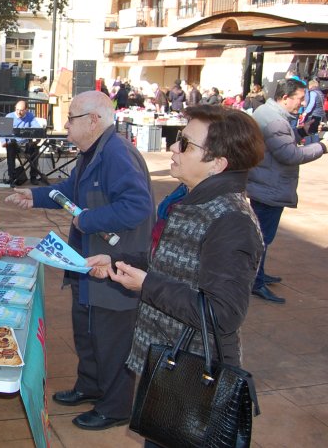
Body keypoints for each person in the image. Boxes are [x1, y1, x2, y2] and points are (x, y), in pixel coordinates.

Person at [86, 105, 265, 447]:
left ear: (218, 163)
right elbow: (171, 261)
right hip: (170, 361)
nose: (172, 148)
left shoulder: (231, 219)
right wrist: (118, 259)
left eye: (184, 143)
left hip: (195, 373)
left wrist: (147, 285)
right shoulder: (192, 200)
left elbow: (223, 314)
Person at [5, 91, 155, 431]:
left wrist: (87, 221)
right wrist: (35, 195)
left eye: (71, 118)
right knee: (87, 330)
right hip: (87, 262)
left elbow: (137, 206)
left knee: (112, 336)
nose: (66, 125)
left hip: (116, 265)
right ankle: (90, 385)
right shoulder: (91, 152)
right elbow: (71, 189)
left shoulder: (117, 155)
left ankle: (116, 406)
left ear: (94, 120)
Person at [246, 78, 326, 304]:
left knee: (262, 235)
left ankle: (259, 274)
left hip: (264, 182)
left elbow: (279, 145)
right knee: (262, 237)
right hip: (270, 185)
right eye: (300, 99)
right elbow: (289, 155)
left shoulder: (266, 113)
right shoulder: (276, 121)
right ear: (285, 98)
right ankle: (256, 281)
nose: (301, 104)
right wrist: (321, 146)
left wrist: (300, 131)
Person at [2, 100, 44, 186]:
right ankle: (11, 178)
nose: (18, 112)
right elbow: (2, 131)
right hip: (13, 143)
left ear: (26, 110)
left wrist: (37, 136)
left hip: (25, 143)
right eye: (17, 109)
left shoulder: (30, 116)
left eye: (21, 110)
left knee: (35, 151)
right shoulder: (9, 116)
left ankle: (33, 177)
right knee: (10, 150)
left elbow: (37, 127)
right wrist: (3, 142)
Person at [302, 79, 325, 144]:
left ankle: (308, 146)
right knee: (315, 132)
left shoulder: (313, 93)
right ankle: (316, 145)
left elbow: (311, 104)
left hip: (313, 115)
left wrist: (305, 112)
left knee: (308, 131)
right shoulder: (320, 93)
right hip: (320, 114)